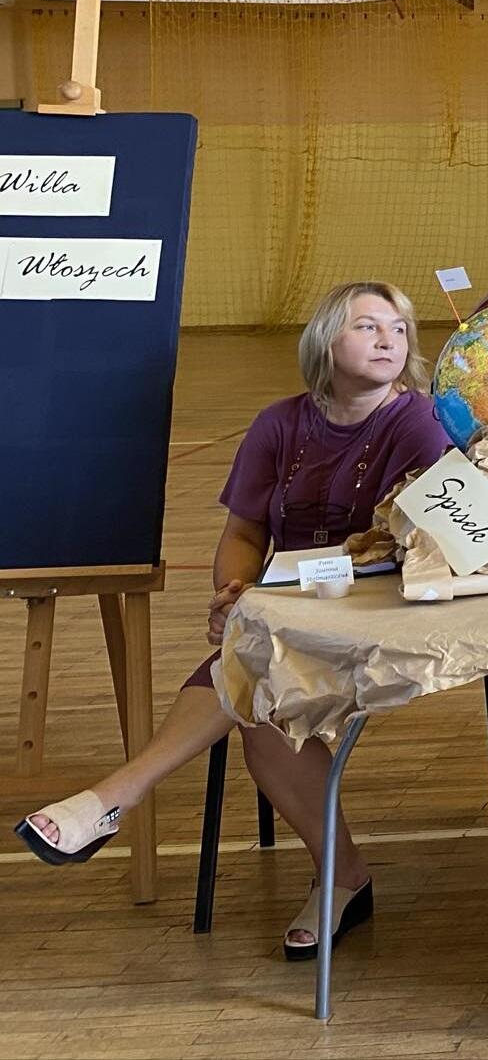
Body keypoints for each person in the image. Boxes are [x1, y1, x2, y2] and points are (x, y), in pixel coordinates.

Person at [15, 280, 451, 961]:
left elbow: (435, 540)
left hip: (380, 613)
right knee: (261, 704)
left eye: (398, 328)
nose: (388, 340)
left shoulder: (418, 422)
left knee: (252, 673)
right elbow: (245, 532)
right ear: (325, 341)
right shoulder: (278, 424)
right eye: (368, 326)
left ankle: (113, 797)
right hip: (285, 614)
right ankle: (343, 877)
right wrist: (234, 591)